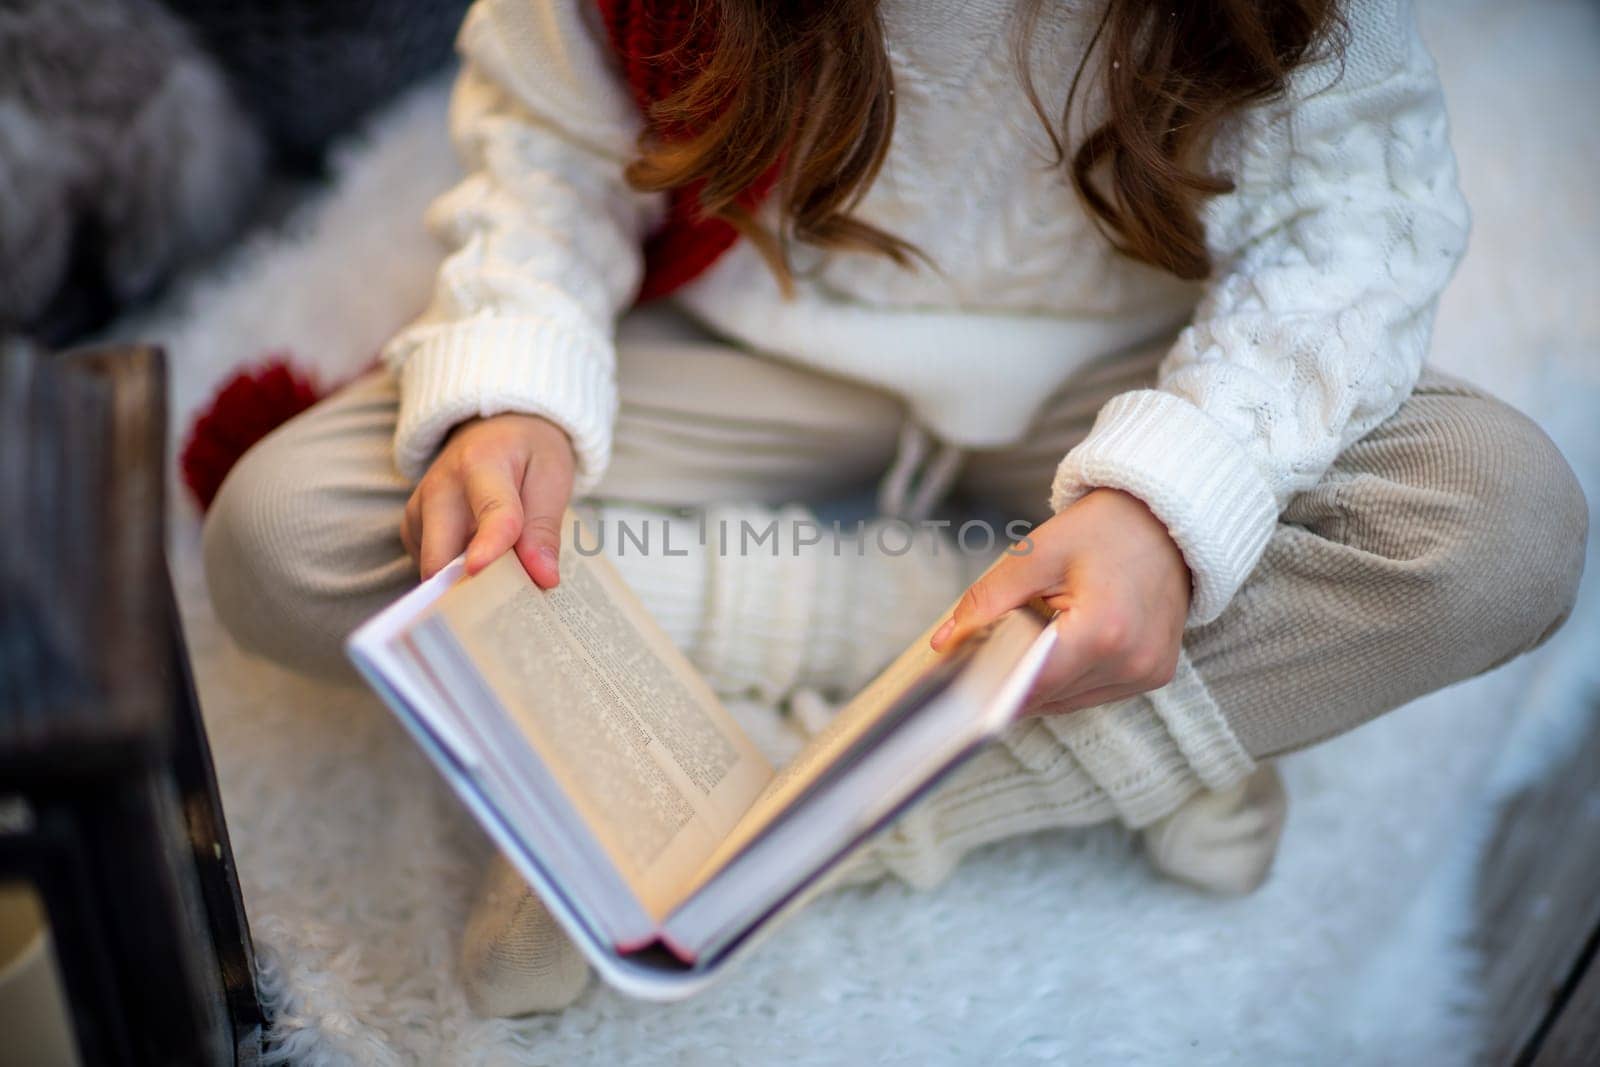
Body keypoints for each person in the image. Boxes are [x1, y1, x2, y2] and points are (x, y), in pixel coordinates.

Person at [202, 0, 1587, 1015]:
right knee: (291, 537)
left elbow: (1350, 224)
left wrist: (1169, 509)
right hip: (749, 339)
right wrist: (514, 381)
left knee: (1494, 517)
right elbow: (546, 146)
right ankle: (1070, 704)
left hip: (1115, 384)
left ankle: (803, 804)